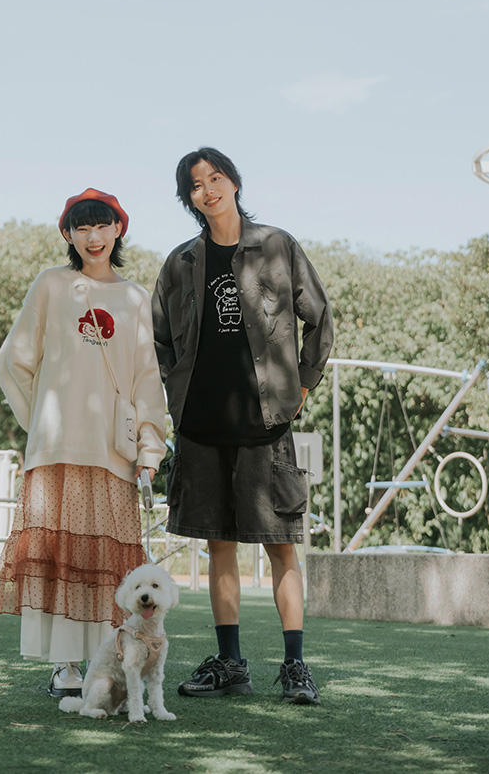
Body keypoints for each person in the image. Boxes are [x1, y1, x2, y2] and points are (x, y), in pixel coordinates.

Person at [152, 148, 333, 705]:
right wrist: (176, 397)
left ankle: (295, 666)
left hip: (266, 423)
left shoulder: (277, 246)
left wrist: (303, 384)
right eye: (195, 185)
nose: (208, 189)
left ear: (233, 182)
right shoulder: (180, 262)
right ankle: (230, 663)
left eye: (216, 178)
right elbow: (158, 339)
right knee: (220, 547)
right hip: (202, 425)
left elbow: (319, 318)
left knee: (282, 547)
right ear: (188, 198)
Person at [0, 188, 167, 698]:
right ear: (68, 235)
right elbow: (13, 361)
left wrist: (150, 450)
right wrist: (43, 422)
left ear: (119, 229)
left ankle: (104, 667)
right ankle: (64, 666)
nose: (93, 237)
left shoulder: (135, 297)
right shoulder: (51, 284)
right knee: (60, 557)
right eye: (82, 227)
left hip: (113, 450)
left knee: (106, 563)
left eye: (102, 225)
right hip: (57, 449)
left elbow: (147, 378)